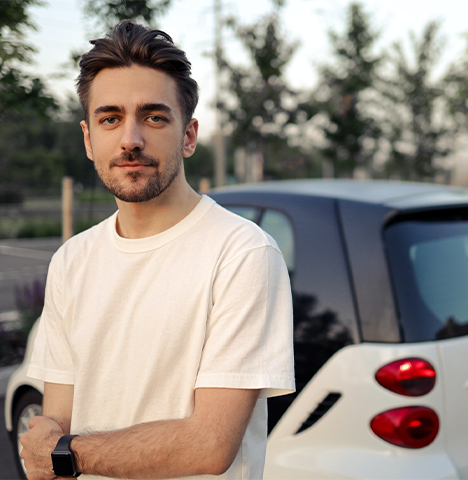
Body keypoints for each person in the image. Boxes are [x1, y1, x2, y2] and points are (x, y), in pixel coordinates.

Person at [20, 20, 295, 480]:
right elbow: (57, 422)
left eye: (153, 116)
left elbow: (208, 446)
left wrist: (66, 454)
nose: (131, 139)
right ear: (89, 140)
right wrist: (56, 447)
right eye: (110, 119)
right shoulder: (72, 260)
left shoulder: (242, 253)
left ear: (188, 136)